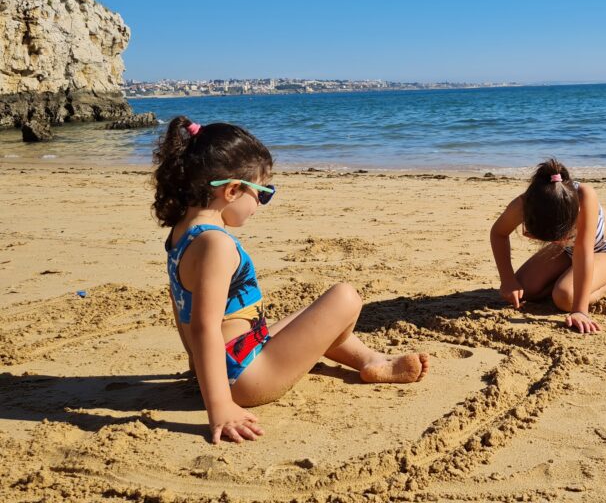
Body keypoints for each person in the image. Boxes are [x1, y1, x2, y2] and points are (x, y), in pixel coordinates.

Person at [153, 116, 429, 444]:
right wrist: (221, 405)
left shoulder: (181, 235)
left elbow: (179, 303)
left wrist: (198, 366)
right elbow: (204, 327)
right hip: (247, 377)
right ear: (231, 190)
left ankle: (369, 360)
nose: (261, 204)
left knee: (308, 318)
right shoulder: (216, 244)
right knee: (345, 297)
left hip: (232, 359)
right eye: (263, 193)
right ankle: (368, 361)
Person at [489, 159, 606, 334]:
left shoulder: (584, 196)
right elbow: (498, 233)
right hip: (567, 251)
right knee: (524, 290)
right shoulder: (525, 204)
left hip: (604, 250)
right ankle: (565, 279)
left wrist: (579, 311)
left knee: (564, 298)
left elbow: (583, 254)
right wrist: (507, 280)